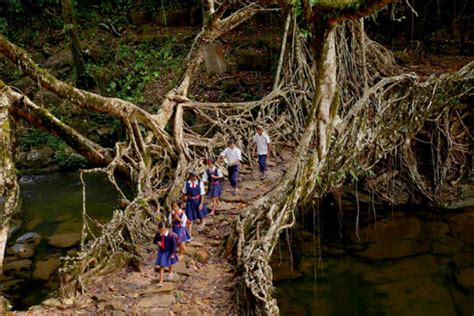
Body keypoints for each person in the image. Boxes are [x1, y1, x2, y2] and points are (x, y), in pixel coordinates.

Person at [182, 170, 207, 236]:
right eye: (192, 177)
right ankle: (189, 234)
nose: (194, 179)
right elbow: (184, 193)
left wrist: (201, 203)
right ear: (190, 177)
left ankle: (202, 223)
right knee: (189, 217)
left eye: (195, 177)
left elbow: (202, 194)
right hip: (190, 201)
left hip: (198, 200)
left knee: (200, 213)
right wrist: (183, 202)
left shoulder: (200, 183)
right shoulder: (186, 183)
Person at [153, 221, 178, 286]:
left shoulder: (171, 235)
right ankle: (161, 281)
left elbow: (174, 245)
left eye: (163, 230)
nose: (162, 232)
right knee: (162, 265)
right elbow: (154, 241)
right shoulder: (158, 234)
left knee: (170, 263)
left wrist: (173, 253)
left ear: (167, 228)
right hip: (162, 251)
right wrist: (157, 242)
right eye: (161, 230)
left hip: (169, 251)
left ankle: (170, 272)